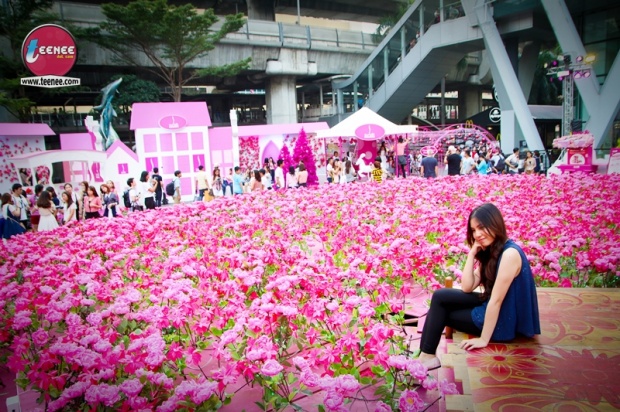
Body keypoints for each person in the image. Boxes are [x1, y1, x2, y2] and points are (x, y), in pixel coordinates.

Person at [417, 203, 540, 370]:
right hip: (494, 306)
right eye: (474, 230)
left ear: (495, 223)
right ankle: (426, 355)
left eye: (482, 227)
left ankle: (426, 356)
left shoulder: (510, 254)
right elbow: (468, 287)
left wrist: (483, 339)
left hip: (504, 320)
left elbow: (496, 301)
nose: (477, 234)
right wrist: (472, 253)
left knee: (442, 311)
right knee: (440, 296)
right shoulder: (493, 250)